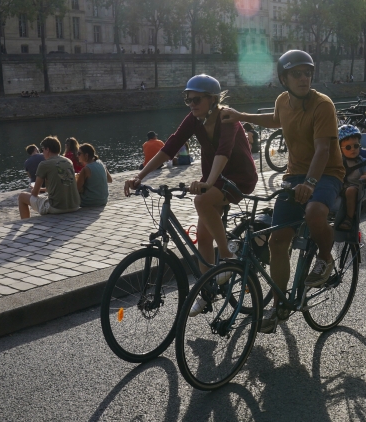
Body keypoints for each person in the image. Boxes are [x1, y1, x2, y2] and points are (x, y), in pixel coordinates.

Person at [220, 50, 345, 332]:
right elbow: (276, 119)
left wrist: (310, 184)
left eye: (307, 73)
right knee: (278, 240)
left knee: (315, 211)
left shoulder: (323, 105)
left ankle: (325, 259)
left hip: (326, 173)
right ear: (284, 79)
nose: (304, 78)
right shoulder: (282, 101)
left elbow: (324, 150)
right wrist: (240, 115)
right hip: (295, 174)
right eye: (296, 74)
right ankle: (278, 306)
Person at [126, 75, 258, 315]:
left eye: (196, 99)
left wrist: (207, 183)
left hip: (238, 178)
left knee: (201, 200)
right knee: (203, 238)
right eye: (188, 99)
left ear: (212, 99)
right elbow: (171, 146)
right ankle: (207, 293)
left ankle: (228, 257)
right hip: (214, 179)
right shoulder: (195, 119)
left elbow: (223, 152)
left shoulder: (227, 117)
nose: (191, 104)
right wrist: (140, 176)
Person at [18, 136, 81, 218]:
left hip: (57, 207)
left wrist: (33, 188)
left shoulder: (44, 164)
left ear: (47, 149)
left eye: (42, 149)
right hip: (75, 205)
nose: (42, 152)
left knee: (22, 196)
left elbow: (34, 193)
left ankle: (25, 222)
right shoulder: (68, 161)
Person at [336, 125, 366, 231]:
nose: (353, 149)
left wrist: (365, 177)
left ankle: (349, 218)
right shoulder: (338, 161)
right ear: (340, 149)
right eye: (348, 147)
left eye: (356, 146)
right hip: (342, 186)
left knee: (350, 191)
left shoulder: (363, 161)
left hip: (357, 187)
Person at [75, 143, 112, 207]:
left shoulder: (86, 169)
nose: (77, 156)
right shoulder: (100, 163)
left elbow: (77, 189)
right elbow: (109, 180)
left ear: (86, 155)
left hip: (90, 202)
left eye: (79, 154)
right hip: (103, 200)